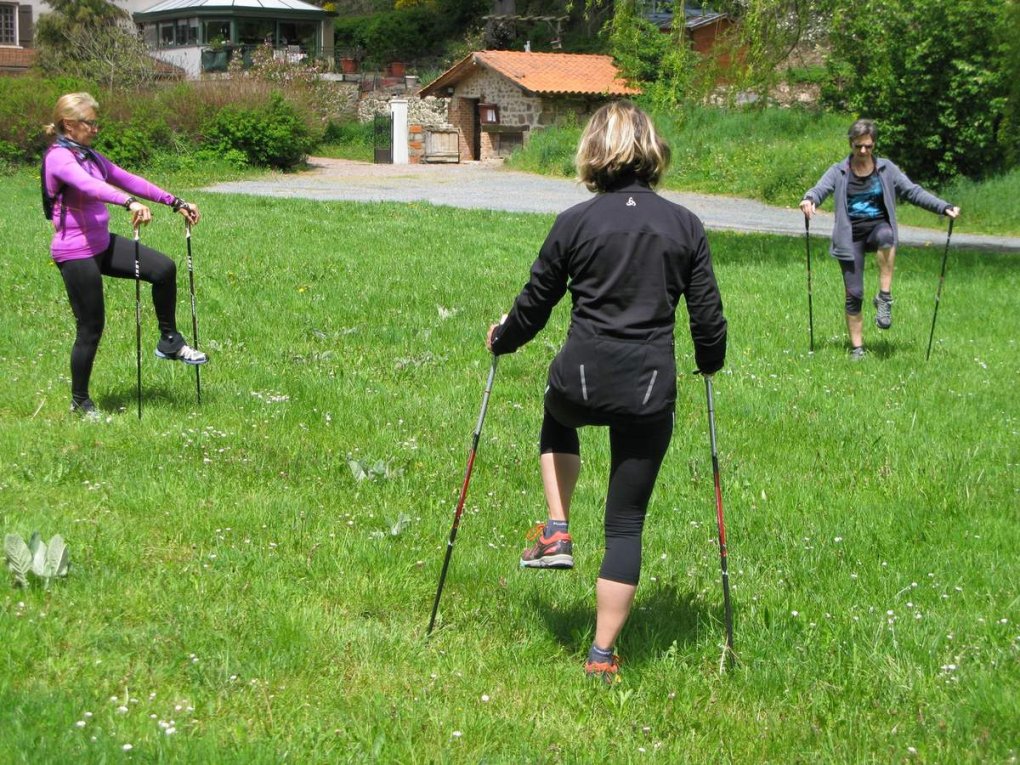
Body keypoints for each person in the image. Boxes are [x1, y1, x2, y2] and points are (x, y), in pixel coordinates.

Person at [486, 101, 727, 682]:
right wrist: (709, 362)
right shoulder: (685, 225)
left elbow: (535, 303)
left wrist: (503, 339)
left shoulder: (575, 221)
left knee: (556, 412)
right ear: (652, 151)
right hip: (649, 389)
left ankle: (557, 527)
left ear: (595, 151)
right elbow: (708, 318)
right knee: (625, 524)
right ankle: (601, 656)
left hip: (581, 380)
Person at [42, 92, 207, 418]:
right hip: (75, 252)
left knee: (163, 269)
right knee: (91, 328)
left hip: (102, 245)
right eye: (91, 122)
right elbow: (88, 186)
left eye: (96, 122)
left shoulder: (89, 155)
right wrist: (128, 203)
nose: (96, 128)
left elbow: (125, 178)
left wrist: (175, 202)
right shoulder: (59, 158)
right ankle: (80, 402)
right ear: (69, 125)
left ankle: (169, 341)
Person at [799, 118, 960, 359]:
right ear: (851, 144)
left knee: (887, 235)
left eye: (868, 146)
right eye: (858, 146)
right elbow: (819, 189)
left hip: (877, 228)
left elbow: (912, 191)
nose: (863, 151)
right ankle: (857, 349)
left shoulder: (886, 169)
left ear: (874, 145)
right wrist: (809, 199)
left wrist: (943, 207)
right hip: (850, 235)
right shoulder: (839, 171)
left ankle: (884, 297)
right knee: (854, 294)